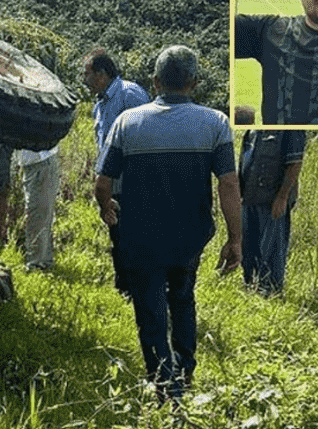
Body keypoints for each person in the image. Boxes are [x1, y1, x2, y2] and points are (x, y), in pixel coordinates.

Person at [94, 45, 242, 403]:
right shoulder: (215, 123)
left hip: (140, 235)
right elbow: (228, 184)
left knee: (149, 307)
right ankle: (185, 372)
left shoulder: (128, 122)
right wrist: (236, 238)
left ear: (156, 81)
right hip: (190, 236)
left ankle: (164, 385)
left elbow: (102, 182)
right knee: (182, 297)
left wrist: (106, 207)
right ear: (193, 82)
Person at [83, 49, 150, 294]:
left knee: (134, 237)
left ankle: (140, 288)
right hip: (112, 184)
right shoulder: (100, 104)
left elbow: (147, 137)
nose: (84, 79)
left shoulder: (130, 95)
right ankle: (124, 288)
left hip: (134, 183)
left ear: (102, 74)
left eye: (87, 74)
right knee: (118, 236)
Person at [239, 130, 305, 297]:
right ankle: (251, 287)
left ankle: (271, 293)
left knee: (271, 248)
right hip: (249, 196)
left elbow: (295, 163)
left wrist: (282, 197)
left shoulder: (291, 128)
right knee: (248, 247)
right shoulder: (252, 129)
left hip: (272, 200)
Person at [16, 147, 60, 271]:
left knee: (38, 214)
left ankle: (36, 264)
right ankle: (43, 262)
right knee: (39, 214)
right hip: (33, 165)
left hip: (42, 163)